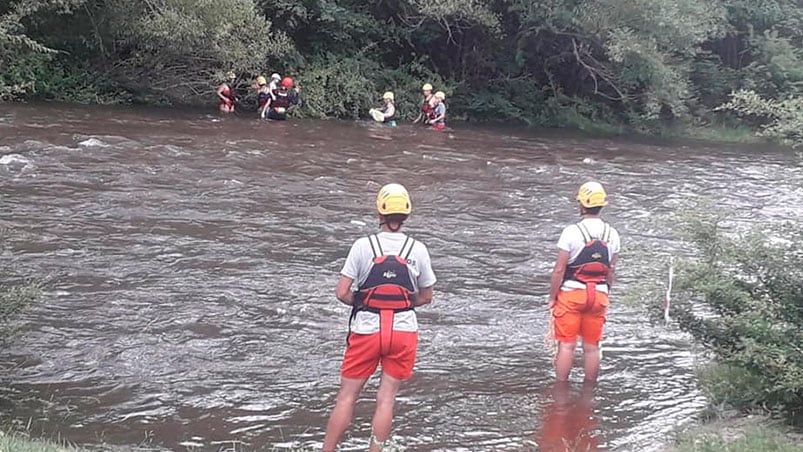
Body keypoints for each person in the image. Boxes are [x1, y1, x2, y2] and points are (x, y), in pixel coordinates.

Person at [323, 183, 437, 452]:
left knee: (346, 397)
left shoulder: (363, 246)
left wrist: (363, 303)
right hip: (403, 332)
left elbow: (341, 293)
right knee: (386, 400)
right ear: (407, 214)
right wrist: (401, 304)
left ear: (380, 213)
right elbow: (426, 296)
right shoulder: (418, 249)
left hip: (366, 330)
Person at [548, 182, 621, 383]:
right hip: (599, 295)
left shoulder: (571, 232)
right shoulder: (613, 234)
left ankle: (560, 391)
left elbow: (559, 270)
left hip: (572, 295)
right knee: (592, 347)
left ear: (581, 205)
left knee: (566, 346)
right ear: (602, 205)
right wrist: (606, 293)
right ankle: (589, 392)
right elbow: (611, 269)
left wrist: (552, 298)